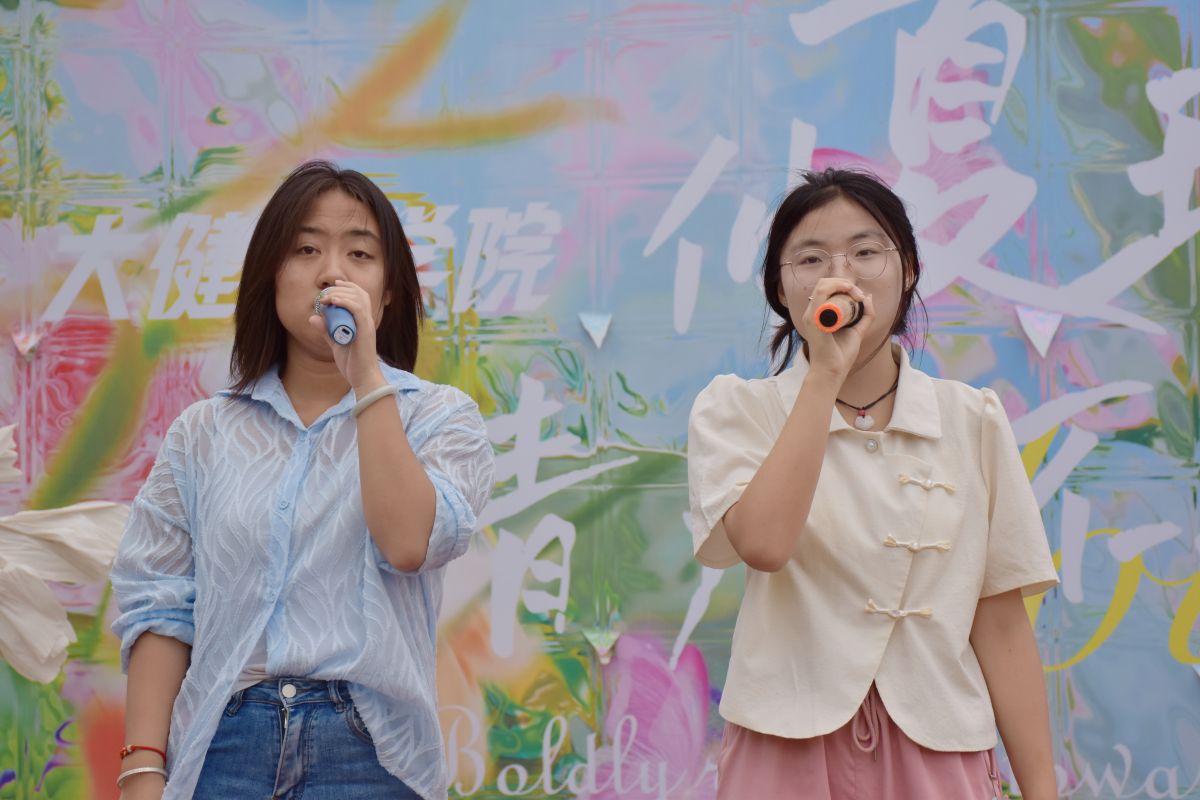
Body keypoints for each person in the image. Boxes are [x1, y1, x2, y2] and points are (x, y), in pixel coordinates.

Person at [111, 160, 495, 800]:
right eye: (306, 249)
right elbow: (162, 605)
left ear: (389, 292)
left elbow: (408, 543)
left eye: (360, 253)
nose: (331, 272)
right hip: (222, 745)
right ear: (272, 275)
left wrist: (365, 376)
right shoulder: (204, 432)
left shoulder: (439, 417)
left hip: (368, 750)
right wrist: (143, 768)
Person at [686, 167, 1059, 799]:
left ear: (908, 269)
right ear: (780, 287)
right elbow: (765, 545)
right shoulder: (737, 410)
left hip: (938, 744)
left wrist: (1043, 792)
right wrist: (823, 376)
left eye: (866, 252)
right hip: (784, 743)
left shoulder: (971, 419)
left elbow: (1000, 624)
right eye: (811, 258)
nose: (842, 273)